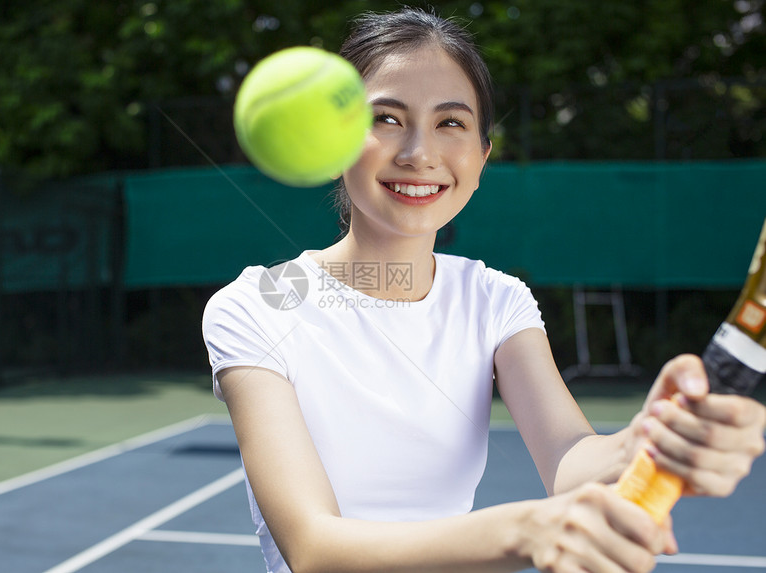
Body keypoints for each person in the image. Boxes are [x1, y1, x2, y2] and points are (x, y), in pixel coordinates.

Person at [202, 7, 766, 573]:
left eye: (451, 123)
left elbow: (569, 458)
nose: (419, 154)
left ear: (482, 158)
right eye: (387, 119)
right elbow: (316, 550)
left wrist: (641, 441)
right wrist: (525, 529)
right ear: (334, 146)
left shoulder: (498, 300)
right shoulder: (255, 308)